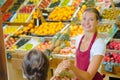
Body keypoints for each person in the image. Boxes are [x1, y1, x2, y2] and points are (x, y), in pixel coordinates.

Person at [51, 7, 106, 80]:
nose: (86, 22)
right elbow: (77, 69)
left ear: (97, 22)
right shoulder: (79, 39)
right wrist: (64, 74)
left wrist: (72, 67)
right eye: (84, 19)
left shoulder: (99, 44)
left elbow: (89, 77)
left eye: (91, 19)